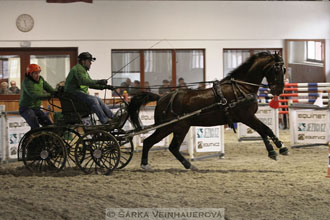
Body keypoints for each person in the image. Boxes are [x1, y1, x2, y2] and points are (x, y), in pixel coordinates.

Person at [64, 52, 115, 125]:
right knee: (94, 100)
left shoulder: (83, 71)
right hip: (72, 93)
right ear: (83, 61)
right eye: (89, 61)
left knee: (99, 99)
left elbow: (90, 83)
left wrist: (105, 87)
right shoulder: (79, 69)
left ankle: (112, 117)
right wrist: (99, 81)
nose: (90, 63)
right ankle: (105, 120)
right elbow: (85, 81)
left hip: (77, 93)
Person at [19, 64, 55, 130]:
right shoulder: (27, 82)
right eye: (35, 73)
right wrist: (50, 95)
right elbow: (35, 95)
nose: (38, 75)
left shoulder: (41, 80)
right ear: (30, 74)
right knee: (35, 125)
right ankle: (34, 139)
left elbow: (50, 89)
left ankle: (48, 139)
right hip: (26, 108)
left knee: (49, 125)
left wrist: (57, 92)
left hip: (36, 108)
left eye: (38, 73)